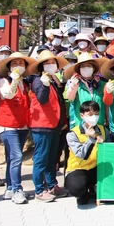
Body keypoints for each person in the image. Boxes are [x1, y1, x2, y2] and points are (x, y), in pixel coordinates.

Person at [28, 49, 70, 202]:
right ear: (41, 66)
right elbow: (42, 100)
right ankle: (39, 190)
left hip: (54, 125)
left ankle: (52, 184)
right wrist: (45, 85)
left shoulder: (53, 81)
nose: (51, 65)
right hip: (42, 126)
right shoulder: (40, 81)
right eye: (47, 63)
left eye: (53, 62)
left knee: (52, 158)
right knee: (41, 158)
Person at [0, 52, 36, 204]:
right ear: (9, 67)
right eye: (14, 63)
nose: (17, 66)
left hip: (22, 125)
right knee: (18, 156)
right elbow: (8, 95)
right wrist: (13, 81)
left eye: (21, 63)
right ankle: (17, 190)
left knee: (11, 158)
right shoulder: (3, 81)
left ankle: (10, 187)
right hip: (8, 126)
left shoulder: (25, 83)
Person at [65, 100, 109, 206]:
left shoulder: (104, 130)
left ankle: (95, 189)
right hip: (78, 169)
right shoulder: (73, 133)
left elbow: (109, 153)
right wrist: (91, 138)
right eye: (90, 114)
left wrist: (102, 143)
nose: (94, 117)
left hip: (96, 167)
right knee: (77, 188)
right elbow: (82, 155)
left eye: (96, 114)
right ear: (82, 115)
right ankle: (83, 194)